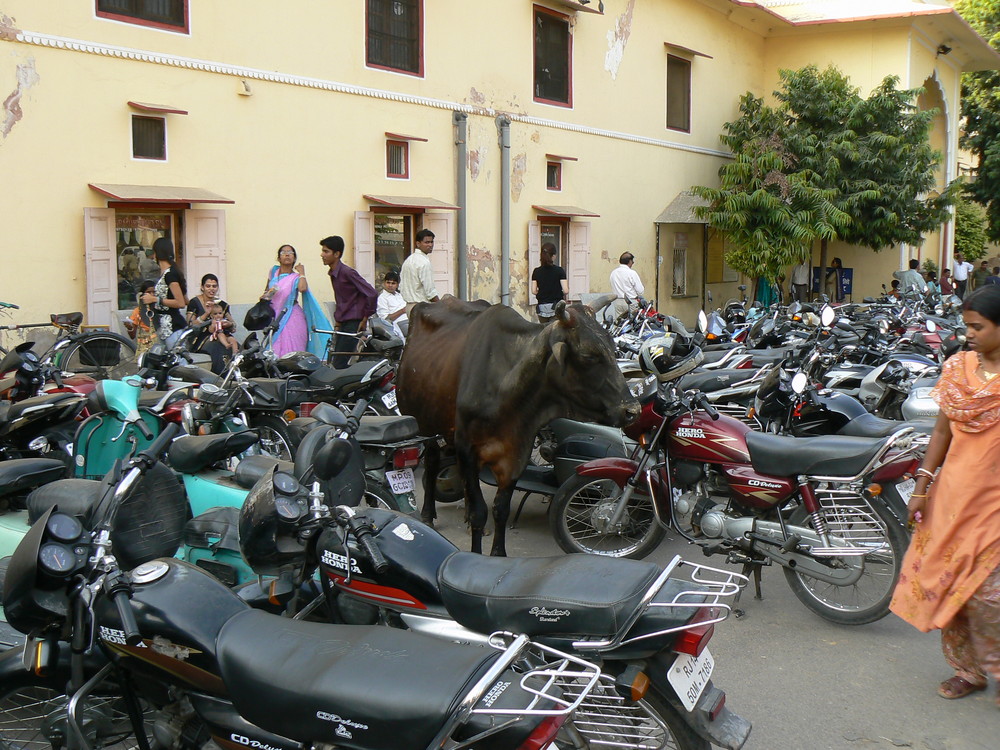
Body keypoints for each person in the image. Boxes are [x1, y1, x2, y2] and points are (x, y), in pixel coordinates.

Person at [890, 284, 1000, 707]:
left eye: (978, 327)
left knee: (988, 594)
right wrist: (921, 486)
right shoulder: (957, 369)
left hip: (994, 504)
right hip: (954, 496)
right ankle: (967, 671)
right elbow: (941, 430)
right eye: (967, 326)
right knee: (954, 587)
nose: (969, 333)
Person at [261, 244, 332, 358]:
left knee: (293, 350)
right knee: (273, 348)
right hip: (275, 315)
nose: (287, 254)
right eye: (283, 252)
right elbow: (266, 290)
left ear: (294, 258)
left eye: (290, 252)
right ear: (279, 258)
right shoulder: (274, 271)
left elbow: (303, 288)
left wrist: (302, 273)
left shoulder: (296, 276)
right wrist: (266, 296)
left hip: (291, 316)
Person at [320, 235, 378, 369]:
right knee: (337, 360)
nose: (322, 255)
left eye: (326, 251)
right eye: (323, 251)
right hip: (343, 323)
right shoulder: (334, 273)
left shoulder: (347, 272)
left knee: (339, 362)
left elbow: (371, 293)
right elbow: (342, 300)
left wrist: (365, 318)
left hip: (353, 323)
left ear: (337, 254)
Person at [140, 237, 187, 345]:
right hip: (163, 327)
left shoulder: (170, 275)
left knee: (178, 360)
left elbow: (180, 303)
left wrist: (155, 299)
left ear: (156, 253)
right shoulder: (167, 273)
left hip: (172, 327)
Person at [186, 273, 236, 374]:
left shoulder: (222, 304)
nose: (211, 289)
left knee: (234, 345)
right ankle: (219, 377)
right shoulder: (194, 302)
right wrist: (206, 314)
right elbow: (191, 324)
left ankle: (233, 375)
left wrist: (229, 325)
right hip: (202, 338)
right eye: (208, 286)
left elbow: (233, 325)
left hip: (222, 334)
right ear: (202, 287)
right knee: (218, 347)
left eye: (214, 286)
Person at [400, 229, 440, 313]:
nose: (430, 245)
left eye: (432, 242)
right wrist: (441, 306)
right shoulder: (424, 263)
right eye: (427, 242)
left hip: (410, 308)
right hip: (422, 309)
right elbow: (430, 292)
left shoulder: (409, 259)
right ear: (418, 244)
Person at [531, 242, 568, 324]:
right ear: (553, 256)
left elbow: (533, 291)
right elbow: (565, 290)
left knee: (545, 331)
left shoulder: (536, 271)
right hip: (556, 307)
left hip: (541, 308)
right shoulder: (559, 271)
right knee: (555, 331)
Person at [124, 279, 158, 354]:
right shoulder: (138, 311)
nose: (152, 295)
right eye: (148, 292)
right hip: (145, 347)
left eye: (154, 292)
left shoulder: (161, 308)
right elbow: (132, 336)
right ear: (142, 295)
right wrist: (129, 328)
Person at [610, 252, 644, 320]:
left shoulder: (613, 273)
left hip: (617, 301)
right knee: (633, 324)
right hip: (631, 302)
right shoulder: (632, 273)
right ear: (630, 261)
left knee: (620, 324)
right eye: (632, 261)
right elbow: (640, 291)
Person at [376, 270, 408, 339]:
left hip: (409, 320)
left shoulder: (399, 295)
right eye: (388, 283)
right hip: (398, 324)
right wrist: (402, 311)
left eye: (393, 283)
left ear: (397, 285)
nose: (390, 285)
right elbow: (385, 319)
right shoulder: (382, 298)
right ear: (384, 283)